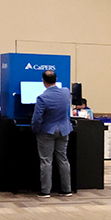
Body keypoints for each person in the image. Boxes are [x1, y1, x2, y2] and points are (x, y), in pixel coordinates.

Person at [31, 70, 73, 198]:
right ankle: (67, 189)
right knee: (63, 159)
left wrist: (35, 130)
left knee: (46, 161)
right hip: (64, 130)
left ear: (43, 82)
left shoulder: (42, 98)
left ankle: (45, 191)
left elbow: (37, 118)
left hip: (47, 131)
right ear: (56, 79)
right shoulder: (66, 92)